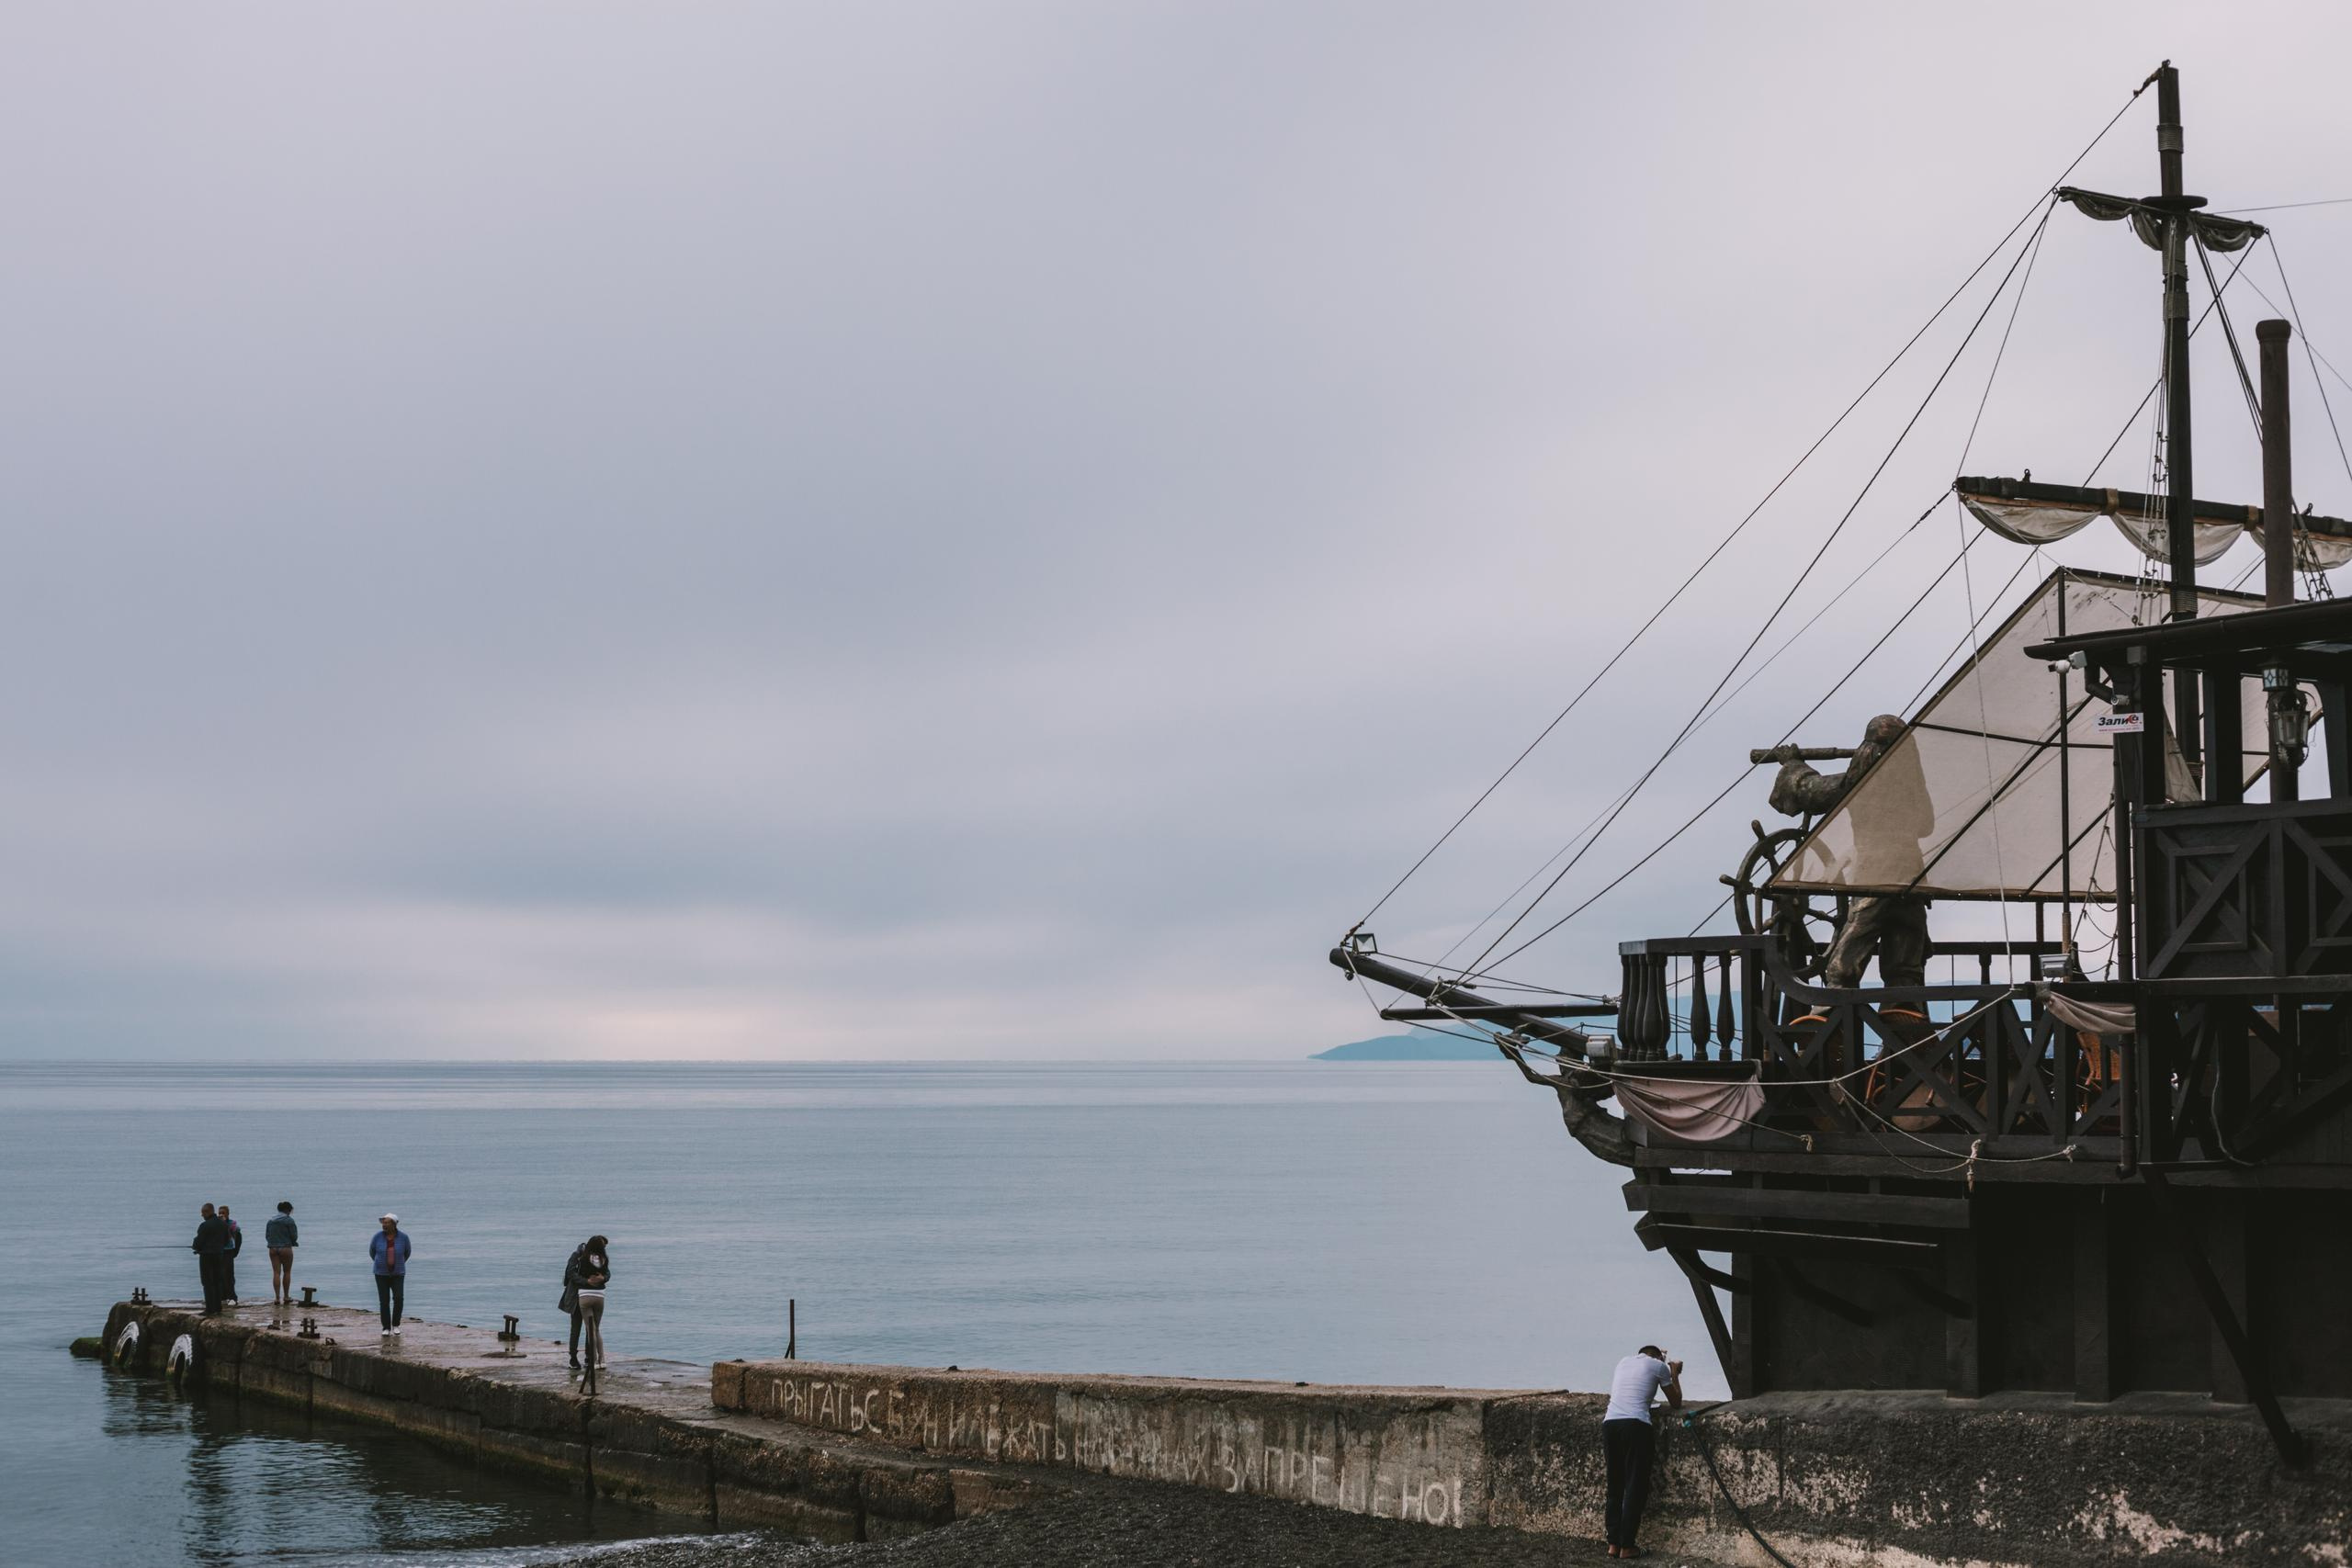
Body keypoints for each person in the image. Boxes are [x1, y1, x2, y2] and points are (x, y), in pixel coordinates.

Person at [1769, 714, 1935, 990]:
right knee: (1906, 940)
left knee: (1857, 935)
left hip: (1874, 870)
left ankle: (1830, 1011)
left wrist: (1793, 764)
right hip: (1910, 870)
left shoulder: (1857, 784)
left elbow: (1812, 792)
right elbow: (1926, 825)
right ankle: (1903, 1007)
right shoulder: (1912, 786)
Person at [1601, 1344, 1683, 1560]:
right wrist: (1674, 1372)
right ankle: (1627, 1546)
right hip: (1635, 1426)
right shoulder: (1659, 1365)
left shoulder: (1623, 1361)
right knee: (1635, 1486)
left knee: (1615, 1485)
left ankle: (1613, 1543)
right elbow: (1676, 1402)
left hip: (1610, 1423)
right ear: (1658, 1356)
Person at [560, 1236, 611, 1371]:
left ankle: (589, 1357)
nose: (604, 1250)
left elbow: (607, 1272)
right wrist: (586, 1282)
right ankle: (573, 1358)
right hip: (576, 1297)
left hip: (587, 1295)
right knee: (576, 1329)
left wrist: (604, 1278)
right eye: (603, 1247)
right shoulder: (577, 1255)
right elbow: (570, 1273)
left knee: (591, 1329)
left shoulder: (599, 1257)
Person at [369, 1213, 412, 1337]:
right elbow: (372, 1252)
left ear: (394, 1224)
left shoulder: (404, 1237)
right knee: (384, 1301)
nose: (384, 1225)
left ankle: (396, 1325)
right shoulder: (377, 1237)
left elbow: (407, 1253)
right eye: (383, 1223)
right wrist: (381, 1263)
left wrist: (398, 1264)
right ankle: (386, 1327)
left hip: (398, 1273)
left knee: (399, 1298)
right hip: (381, 1274)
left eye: (387, 1223)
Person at [191, 1203, 232, 1314]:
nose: (202, 1215)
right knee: (217, 1281)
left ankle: (209, 1308)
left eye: (203, 1212)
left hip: (206, 1257)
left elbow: (198, 1243)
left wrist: (196, 1247)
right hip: (219, 1255)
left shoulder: (204, 1225)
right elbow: (227, 1241)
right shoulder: (223, 1224)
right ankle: (218, 1308)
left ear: (209, 1212)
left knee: (207, 1282)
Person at [266, 1201, 299, 1306]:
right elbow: (294, 1236)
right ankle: (286, 1296)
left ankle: (276, 1298)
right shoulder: (289, 1220)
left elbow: (267, 1235)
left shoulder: (271, 1220)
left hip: (273, 1248)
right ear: (288, 1210)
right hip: (285, 1247)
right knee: (287, 1272)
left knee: (276, 1273)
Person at [219, 1204, 243, 1305]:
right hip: (219, 1251)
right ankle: (222, 1296)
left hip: (228, 1251)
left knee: (229, 1274)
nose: (221, 1215)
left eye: (223, 1213)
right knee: (220, 1274)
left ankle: (232, 1297)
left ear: (228, 1214)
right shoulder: (217, 1224)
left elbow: (232, 1237)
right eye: (219, 1213)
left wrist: (224, 1224)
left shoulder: (232, 1224)